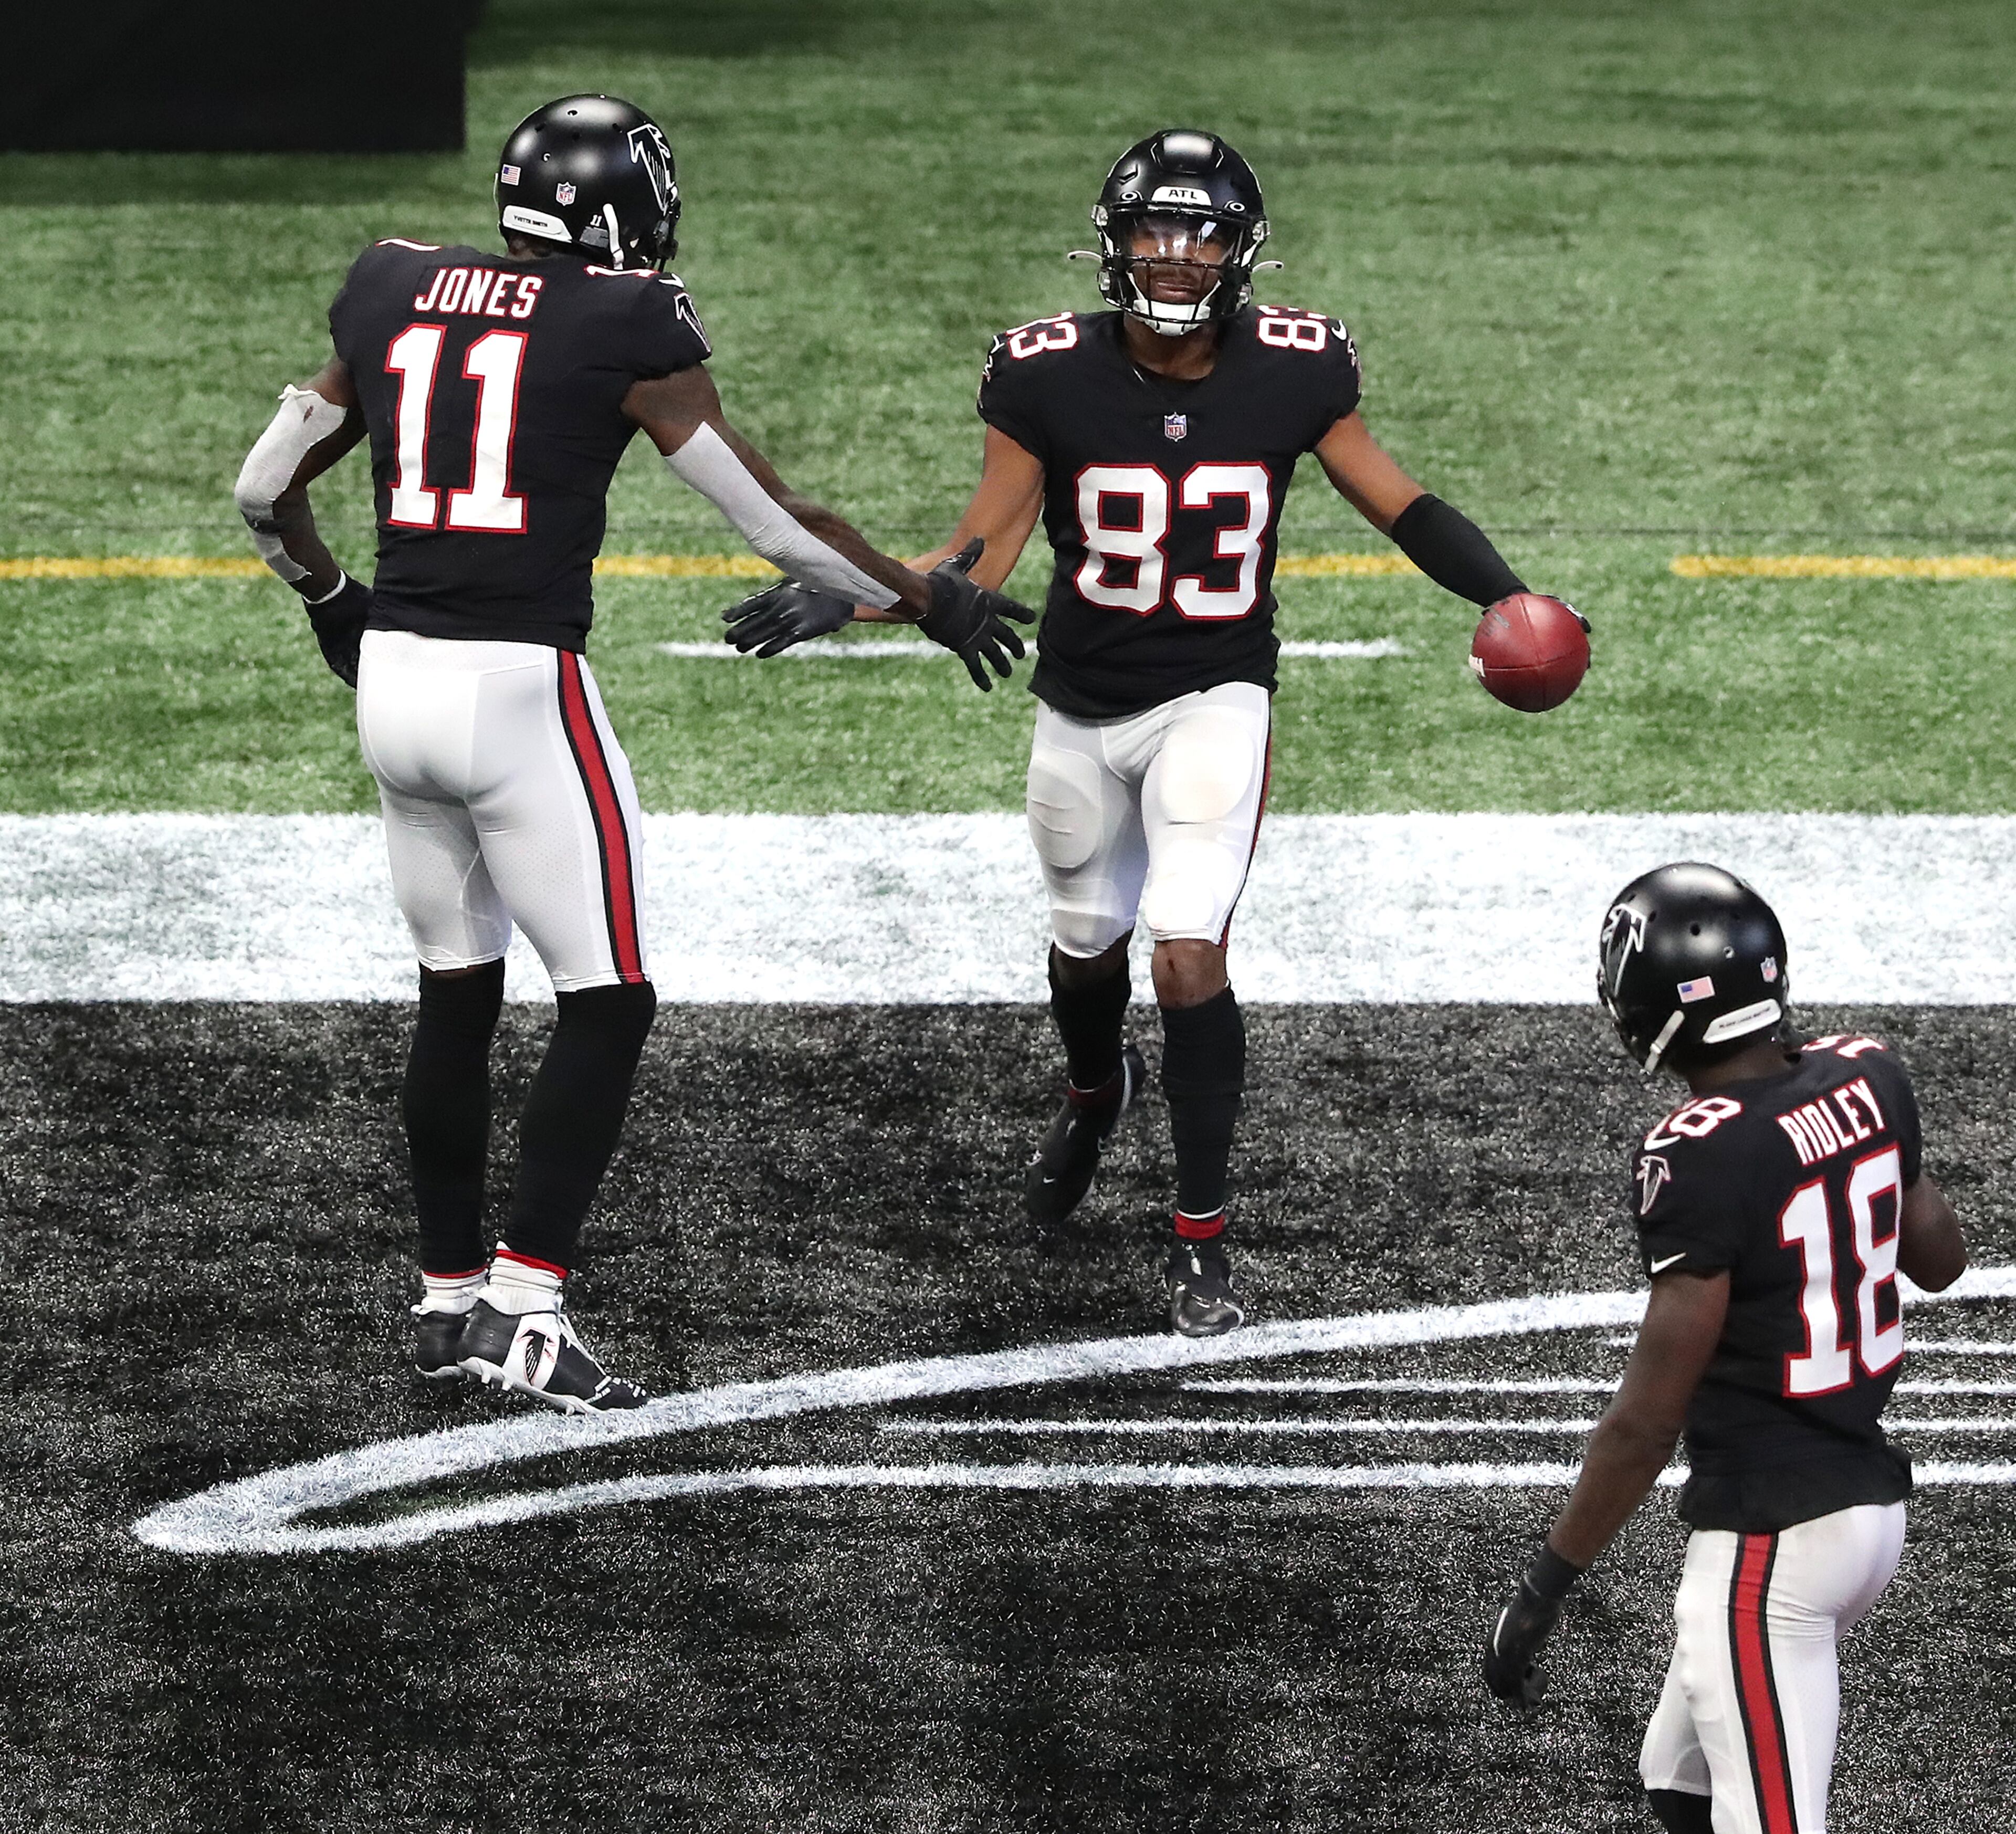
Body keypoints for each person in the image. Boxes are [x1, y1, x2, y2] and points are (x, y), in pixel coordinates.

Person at [232, 93, 1031, 1413]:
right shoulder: (628, 321)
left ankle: (444, 1304)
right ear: (625, 210)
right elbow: (777, 525)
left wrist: (330, 600)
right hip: (518, 686)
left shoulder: (389, 284)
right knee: (608, 1000)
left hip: (397, 684)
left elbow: (265, 486)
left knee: (454, 987)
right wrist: (925, 599)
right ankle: (525, 1308)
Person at [724, 128, 1563, 1335]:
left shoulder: (1296, 371)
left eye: (1202, 233)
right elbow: (986, 546)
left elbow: (1403, 503)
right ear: (1113, 244)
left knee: (1184, 946)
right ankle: (1092, 1086)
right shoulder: (1044, 375)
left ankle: (1200, 1237)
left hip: (1216, 696)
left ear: (1240, 249)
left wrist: (1506, 594)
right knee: (1083, 945)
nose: (1176, 258)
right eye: (1155, 232)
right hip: (1078, 700)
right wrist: (863, 591)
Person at [1483, 861, 1967, 1834]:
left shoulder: (1695, 1150)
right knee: (1681, 1780)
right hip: (1864, 1512)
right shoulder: (1869, 1071)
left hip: (1771, 1545)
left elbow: (1646, 1420)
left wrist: (1544, 1585)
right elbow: (1942, 1259)